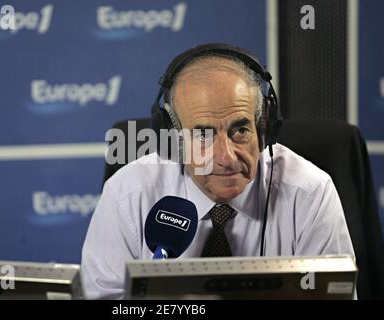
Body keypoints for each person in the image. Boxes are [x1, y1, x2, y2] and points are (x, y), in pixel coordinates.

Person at [81, 43, 355, 299]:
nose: (226, 157)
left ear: (263, 128)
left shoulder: (309, 194)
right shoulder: (127, 194)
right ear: (174, 139)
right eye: (203, 135)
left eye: (240, 130)